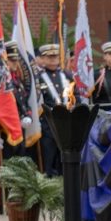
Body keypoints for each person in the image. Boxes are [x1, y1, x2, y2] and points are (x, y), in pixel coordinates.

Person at [35, 43, 70, 176]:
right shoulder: (38, 78)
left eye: (55, 56)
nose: (53, 59)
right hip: (48, 125)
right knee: (48, 159)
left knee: (63, 160)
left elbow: (75, 95)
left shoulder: (66, 75)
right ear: (43, 59)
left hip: (66, 124)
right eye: (49, 57)